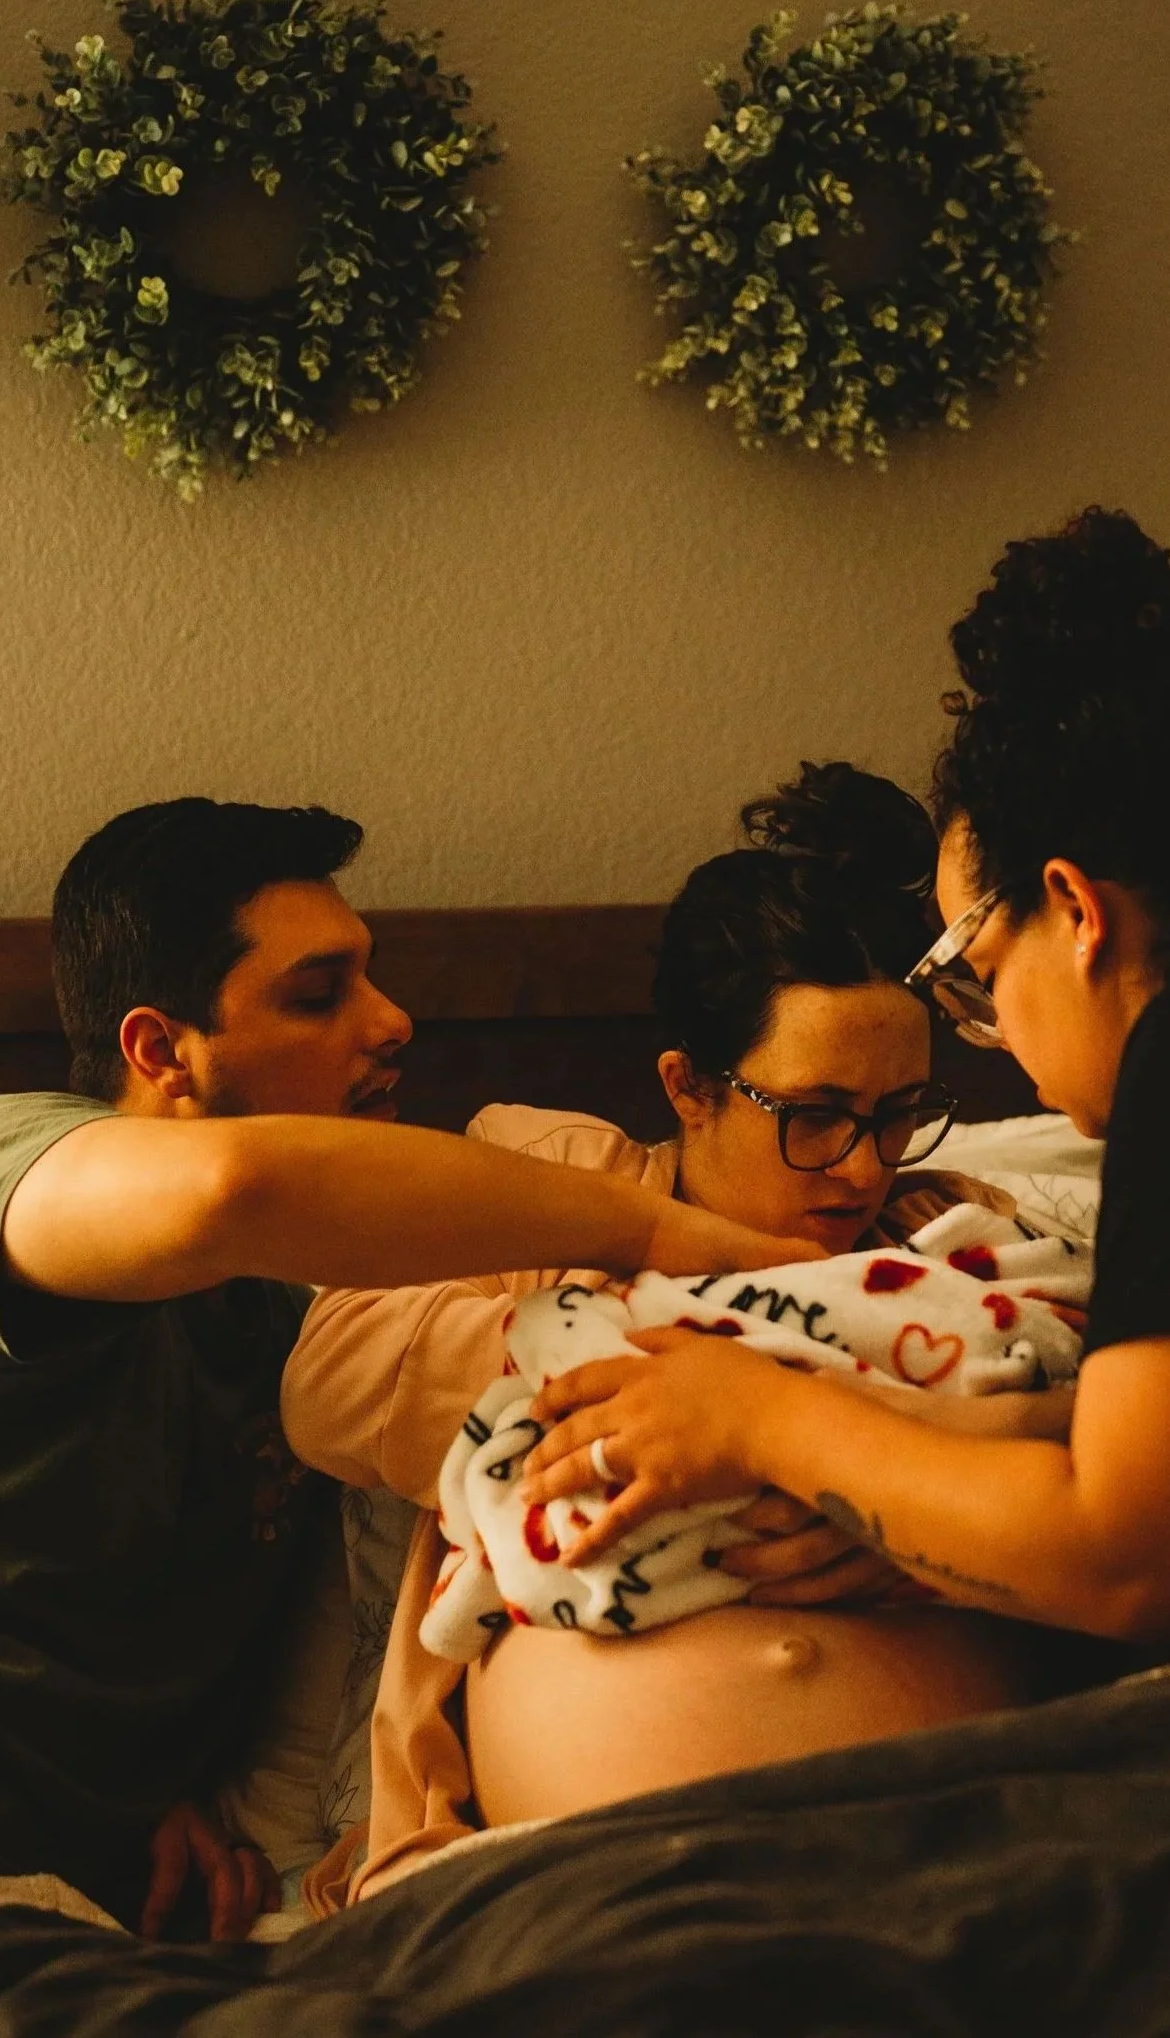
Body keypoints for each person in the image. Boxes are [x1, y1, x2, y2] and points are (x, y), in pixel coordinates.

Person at [524, 509, 1170, 1669]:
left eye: (981, 968)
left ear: (1075, 909)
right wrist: (907, 1465)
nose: (997, 1028)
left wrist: (764, 1421)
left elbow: (1128, 1560)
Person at [0, 798, 813, 1938]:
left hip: (93, 1892)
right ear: (160, 1050)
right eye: (318, 994)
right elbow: (223, 1190)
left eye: (375, 978)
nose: (393, 1021)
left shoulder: (313, 1317)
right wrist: (653, 1234)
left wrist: (167, 1788)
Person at [283, 763, 1076, 1903]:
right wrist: (712, 1316)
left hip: (955, 1855)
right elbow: (335, 1379)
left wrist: (905, 1506)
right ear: (690, 1087)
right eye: (814, 1118)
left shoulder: (952, 1230)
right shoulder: (556, 1185)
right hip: (603, 1882)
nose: (861, 1165)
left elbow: (1104, 1456)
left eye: (896, 1113)